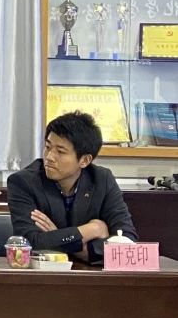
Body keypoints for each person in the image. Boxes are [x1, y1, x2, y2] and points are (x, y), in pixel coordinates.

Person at [8, 111, 136, 262]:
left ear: (85, 160)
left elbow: (127, 242)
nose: (49, 156)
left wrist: (59, 238)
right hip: (44, 274)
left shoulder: (102, 180)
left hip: (90, 274)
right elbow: (29, 244)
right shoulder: (23, 182)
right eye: (48, 147)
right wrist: (91, 230)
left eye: (60, 152)